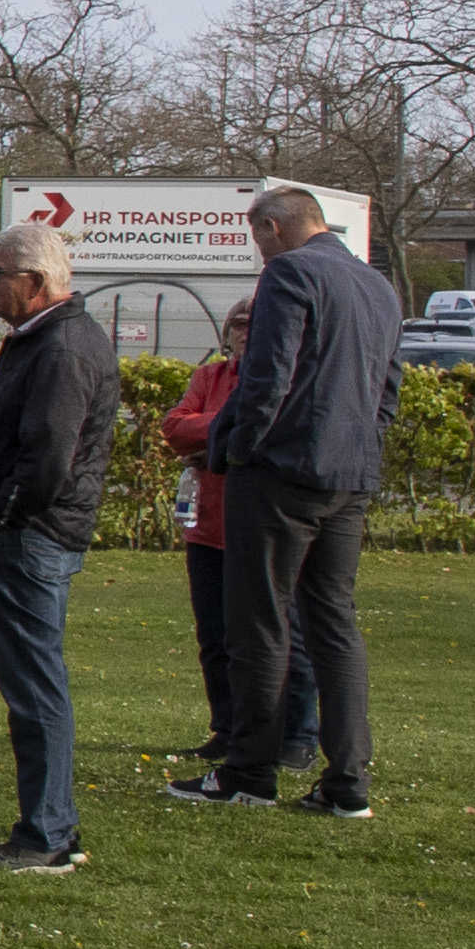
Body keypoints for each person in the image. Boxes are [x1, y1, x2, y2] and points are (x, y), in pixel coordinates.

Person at [183, 183, 393, 817]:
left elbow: (268, 374)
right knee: (333, 624)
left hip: (280, 472)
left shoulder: (291, 272)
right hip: (349, 474)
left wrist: (239, 447)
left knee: (260, 621)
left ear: (274, 227)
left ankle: (249, 771)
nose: (258, 253)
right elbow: (388, 387)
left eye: (257, 239)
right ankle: (347, 782)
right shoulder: (376, 283)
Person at [0, 220, 122, 871]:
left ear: (37, 281)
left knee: (35, 687)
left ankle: (46, 832)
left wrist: (3, 515)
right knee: (31, 683)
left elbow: (51, 455)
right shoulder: (40, 342)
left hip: (30, 537)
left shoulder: (61, 348)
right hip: (26, 533)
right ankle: (49, 826)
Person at [166, 315, 319, 788]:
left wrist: (214, 437)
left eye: (256, 322)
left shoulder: (286, 380)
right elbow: (175, 427)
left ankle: (297, 733)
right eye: (238, 322)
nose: (246, 331)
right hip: (208, 525)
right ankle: (227, 726)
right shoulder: (209, 377)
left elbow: (270, 431)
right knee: (215, 636)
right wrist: (226, 433)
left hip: (263, 525)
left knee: (283, 634)